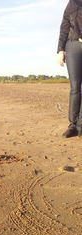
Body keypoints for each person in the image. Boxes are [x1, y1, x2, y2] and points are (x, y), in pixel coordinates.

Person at [58, 0, 82, 137]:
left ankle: (81, 125)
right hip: (73, 46)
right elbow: (64, 27)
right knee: (75, 87)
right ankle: (72, 125)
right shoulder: (72, 3)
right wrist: (61, 50)